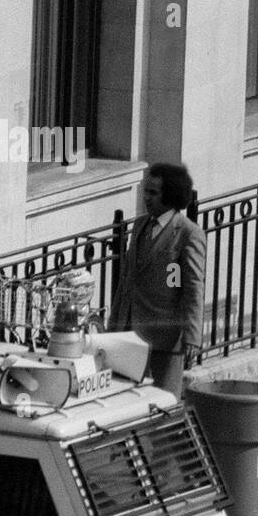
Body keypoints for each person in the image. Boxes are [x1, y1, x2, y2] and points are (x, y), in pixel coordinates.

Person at [108, 162, 206, 397]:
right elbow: (127, 279)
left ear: (170, 195)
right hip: (130, 334)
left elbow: (192, 287)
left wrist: (192, 335)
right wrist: (114, 324)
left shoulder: (188, 234)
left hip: (165, 337)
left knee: (163, 402)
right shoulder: (140, 225)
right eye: (145, 191)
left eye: (153, 193)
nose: (146, 198)